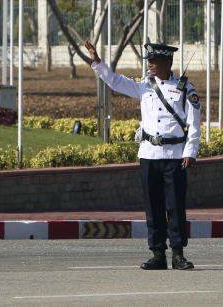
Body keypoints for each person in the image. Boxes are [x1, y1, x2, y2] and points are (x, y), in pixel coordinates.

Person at [84, 40, 200, 271]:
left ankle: (178, 254)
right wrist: (97, 62)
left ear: (168, 62)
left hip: (175, 156)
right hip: (149, 154)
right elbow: (115, 81)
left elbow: (194, 123)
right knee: (153, 206)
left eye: (154, 61)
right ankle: (157, 254)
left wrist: (191, 151)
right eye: (149, 61)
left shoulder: (186, 88)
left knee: (175, 207)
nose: (150, 65)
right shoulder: (143, 86)